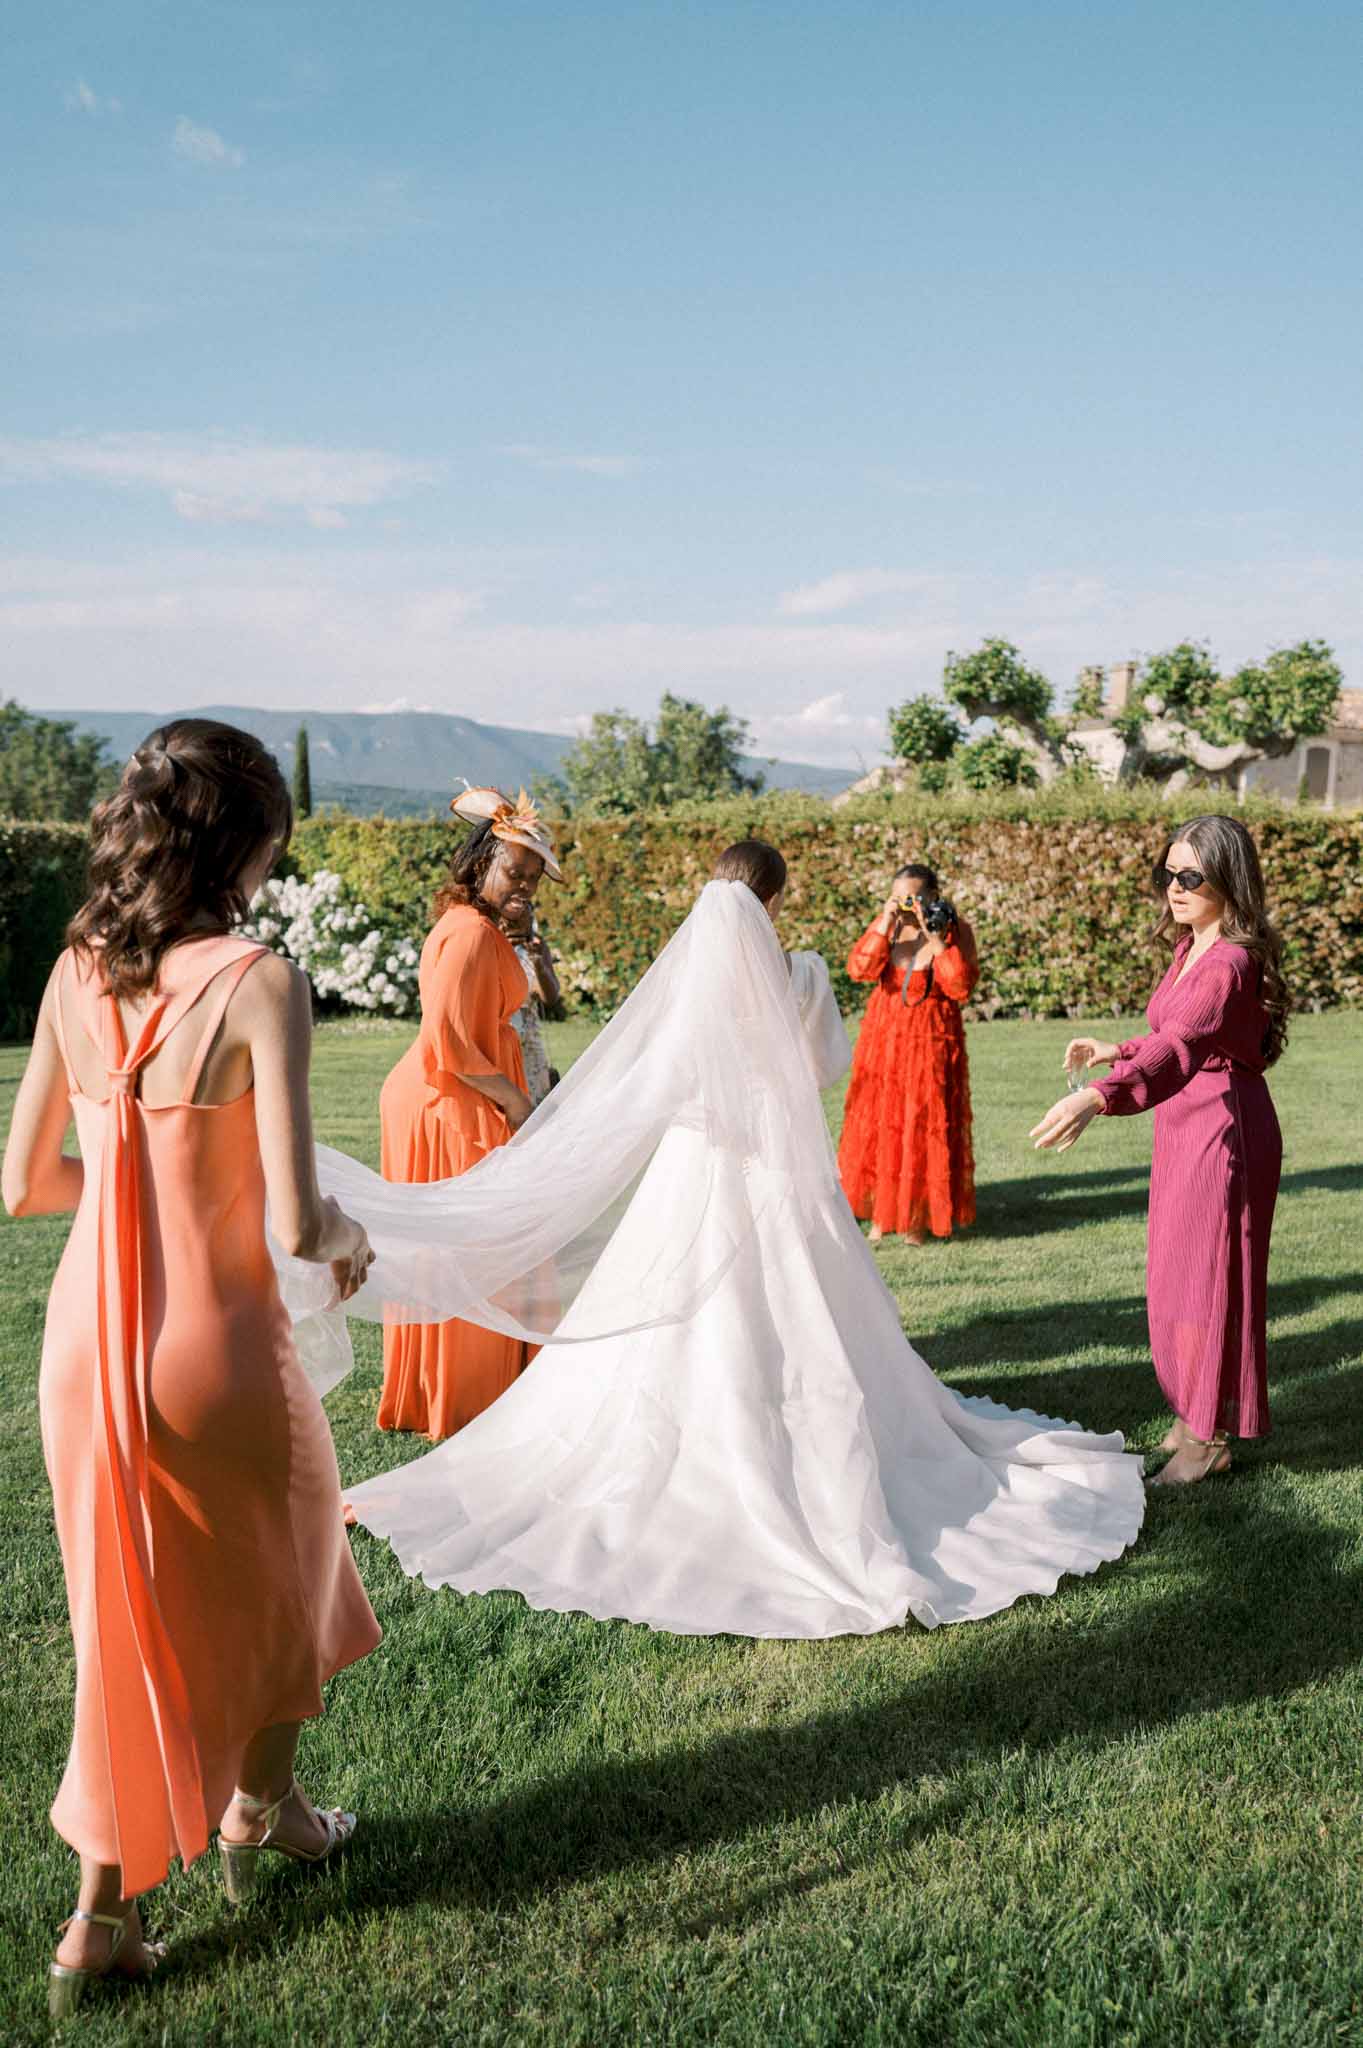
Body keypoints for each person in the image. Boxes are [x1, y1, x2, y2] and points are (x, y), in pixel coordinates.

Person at [304, 839, 1145, 1641]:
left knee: (673, 1296)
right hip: (776, 1171)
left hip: (695, 1167)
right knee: (804, 1300)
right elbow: (815, 1071)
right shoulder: (801, 974)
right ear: (771, 903)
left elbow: (649, 1085)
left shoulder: (692, 987)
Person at [0, 720, 381, 2018]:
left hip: (84, 1351)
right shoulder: (257, 979)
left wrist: (127, 1185)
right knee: (306, 1564)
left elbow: (22, 1184)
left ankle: (101, 1918)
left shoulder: (71, 971)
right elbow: (292, 1223)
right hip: (211, 1353)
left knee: (123, 1622)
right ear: (247, 841)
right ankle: (259, 1812)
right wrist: (352, 1239)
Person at [1030, 815, 1286, 1486]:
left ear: (1228, 880)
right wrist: (1116, 1049)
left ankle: (1206, 1439)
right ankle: (1191, 1416)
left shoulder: (1227, 959)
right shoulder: (1191, 946)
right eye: (1166, 873)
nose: (1173, 887)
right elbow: (1178, 1034)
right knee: (1177, 1278)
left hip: (1221, 1131)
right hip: (1187, 1121)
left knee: (1207, 1280)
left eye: (1190, 876)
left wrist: (1096, 1095)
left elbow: (1181, 1049)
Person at [375, 785, 562, 1440]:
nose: (525, 887)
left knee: (468, 1247)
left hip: (461, 1090)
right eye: (515, 871)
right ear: (479, 860)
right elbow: (448, 1043)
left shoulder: (481, 929)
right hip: (453, 1099)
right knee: (474, 1247)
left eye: (533, 878)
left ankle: (467, 1385)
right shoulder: (468, 935)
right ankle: (465, 1396)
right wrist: (518, 1105)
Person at [838, 862, 979, 1245]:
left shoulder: (954, 929)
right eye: (900, 896)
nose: (907, 904)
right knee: (882, 1123)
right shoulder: (889, 926)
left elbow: (961, 985)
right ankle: (881, 1215)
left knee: (921, 1124)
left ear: (934, 896)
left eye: (914, 897)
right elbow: (860, 969)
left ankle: (917, 1215)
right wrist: (885, 922)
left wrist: (936, 939)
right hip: (884, 1042)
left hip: (932, 1041)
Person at [505, 909, 562, 1108]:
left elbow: (550, 997)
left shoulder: (536, 946)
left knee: (534, 1105)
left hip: (528, 1040)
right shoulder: (486, 941)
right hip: (500, 1037)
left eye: (526, 914)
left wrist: (538, 963)